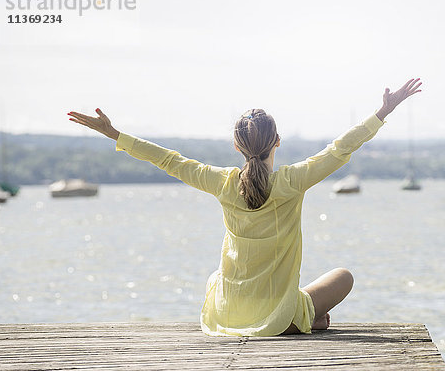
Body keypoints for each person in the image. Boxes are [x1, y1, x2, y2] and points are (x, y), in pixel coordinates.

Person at [68, 78, 423, 336]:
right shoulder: (291, 182)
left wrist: (116, 135)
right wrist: (383, 111)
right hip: (275, 314)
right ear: (278, 142)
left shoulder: (222, 182)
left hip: (228, 314)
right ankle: (299, 318)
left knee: (216, 278)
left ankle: (301, 317)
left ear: (237, 148)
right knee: (343, 277)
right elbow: (338, 150)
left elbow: (169, 161)